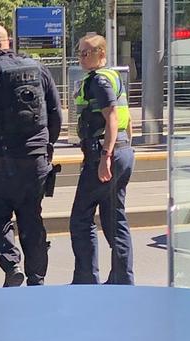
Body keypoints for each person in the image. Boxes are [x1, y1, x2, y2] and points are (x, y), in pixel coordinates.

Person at [0, 24, 62, 286]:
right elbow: (56, 115)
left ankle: (11, 263)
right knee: (31, 217)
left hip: (1, 162)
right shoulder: (38, 68)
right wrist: (45, 147)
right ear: (10, 42)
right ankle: (37, 277)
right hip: (36, 160)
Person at [70, 33, 135, 285]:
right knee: (114, 218)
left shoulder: (99, 81)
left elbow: (111, 117)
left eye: (86, 53)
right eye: (80, 53)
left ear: (101, 54)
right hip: (122, 151)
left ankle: (86, 279)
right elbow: (126, 118)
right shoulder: (114, 77)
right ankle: (122, 279)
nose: (82, 57)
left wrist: (106, 156)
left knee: (81, 217)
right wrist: (126, 147)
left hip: (104, 153)